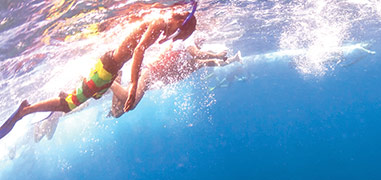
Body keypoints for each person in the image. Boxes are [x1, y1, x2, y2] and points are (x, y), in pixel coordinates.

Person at [0, 3, 197, 139]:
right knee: (69, 104)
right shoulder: (160, 22)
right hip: (106, 69)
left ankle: (51, 103)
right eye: (178, 33)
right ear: (180, 22)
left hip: (110, 69)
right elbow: (138, 50)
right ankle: (25, 110)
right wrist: (134, 83)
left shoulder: (159, 22)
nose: (172, 36)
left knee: (84, 100)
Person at [108, 42, 240, 117]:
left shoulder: (190, 64)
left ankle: (115, 78)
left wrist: (231, 60)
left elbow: (210, 62)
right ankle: (110, 81)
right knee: (130, 104)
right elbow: (199, 54)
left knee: (117, 112)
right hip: (149, 73)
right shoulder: (186, 41)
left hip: (152, 79)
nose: (201, 44)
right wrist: (217, 54)